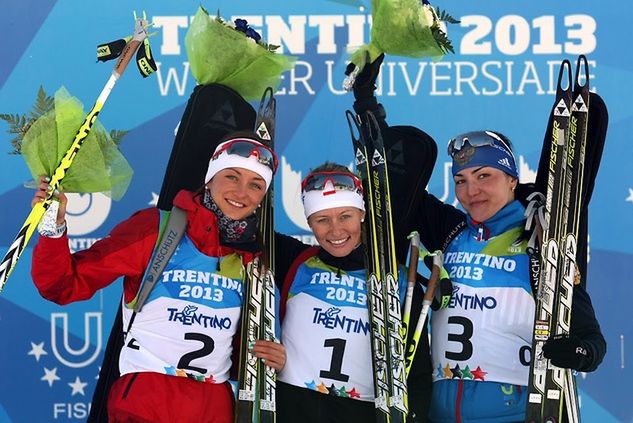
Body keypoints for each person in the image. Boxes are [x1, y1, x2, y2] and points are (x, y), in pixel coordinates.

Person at [30, 132, 286, 423]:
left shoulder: (255, 261)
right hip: (147, 402)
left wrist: (274, 358)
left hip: (214, 408)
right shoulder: (155, 229)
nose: (242, 193)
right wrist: (53, 227)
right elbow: (62, 285)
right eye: (232, 176)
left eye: (256, 185)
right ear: (210, 177)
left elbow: (252, 353)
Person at [405, 130, 607, 422]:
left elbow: (592, 340)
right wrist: (367, 104)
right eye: (461, 181)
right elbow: (392, 183)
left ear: (512, 179)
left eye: (484, 176)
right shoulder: (451, 230)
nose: (471, 192)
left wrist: (579, 352)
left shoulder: (540, 241)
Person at [273, 162, 433, 422]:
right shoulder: (294, 260)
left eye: (345, 216)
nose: (335, 230)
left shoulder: (397, 280)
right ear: (309, 222)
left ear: (362, 213)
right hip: (294, 410)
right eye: (322, 219)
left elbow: (418, 374)